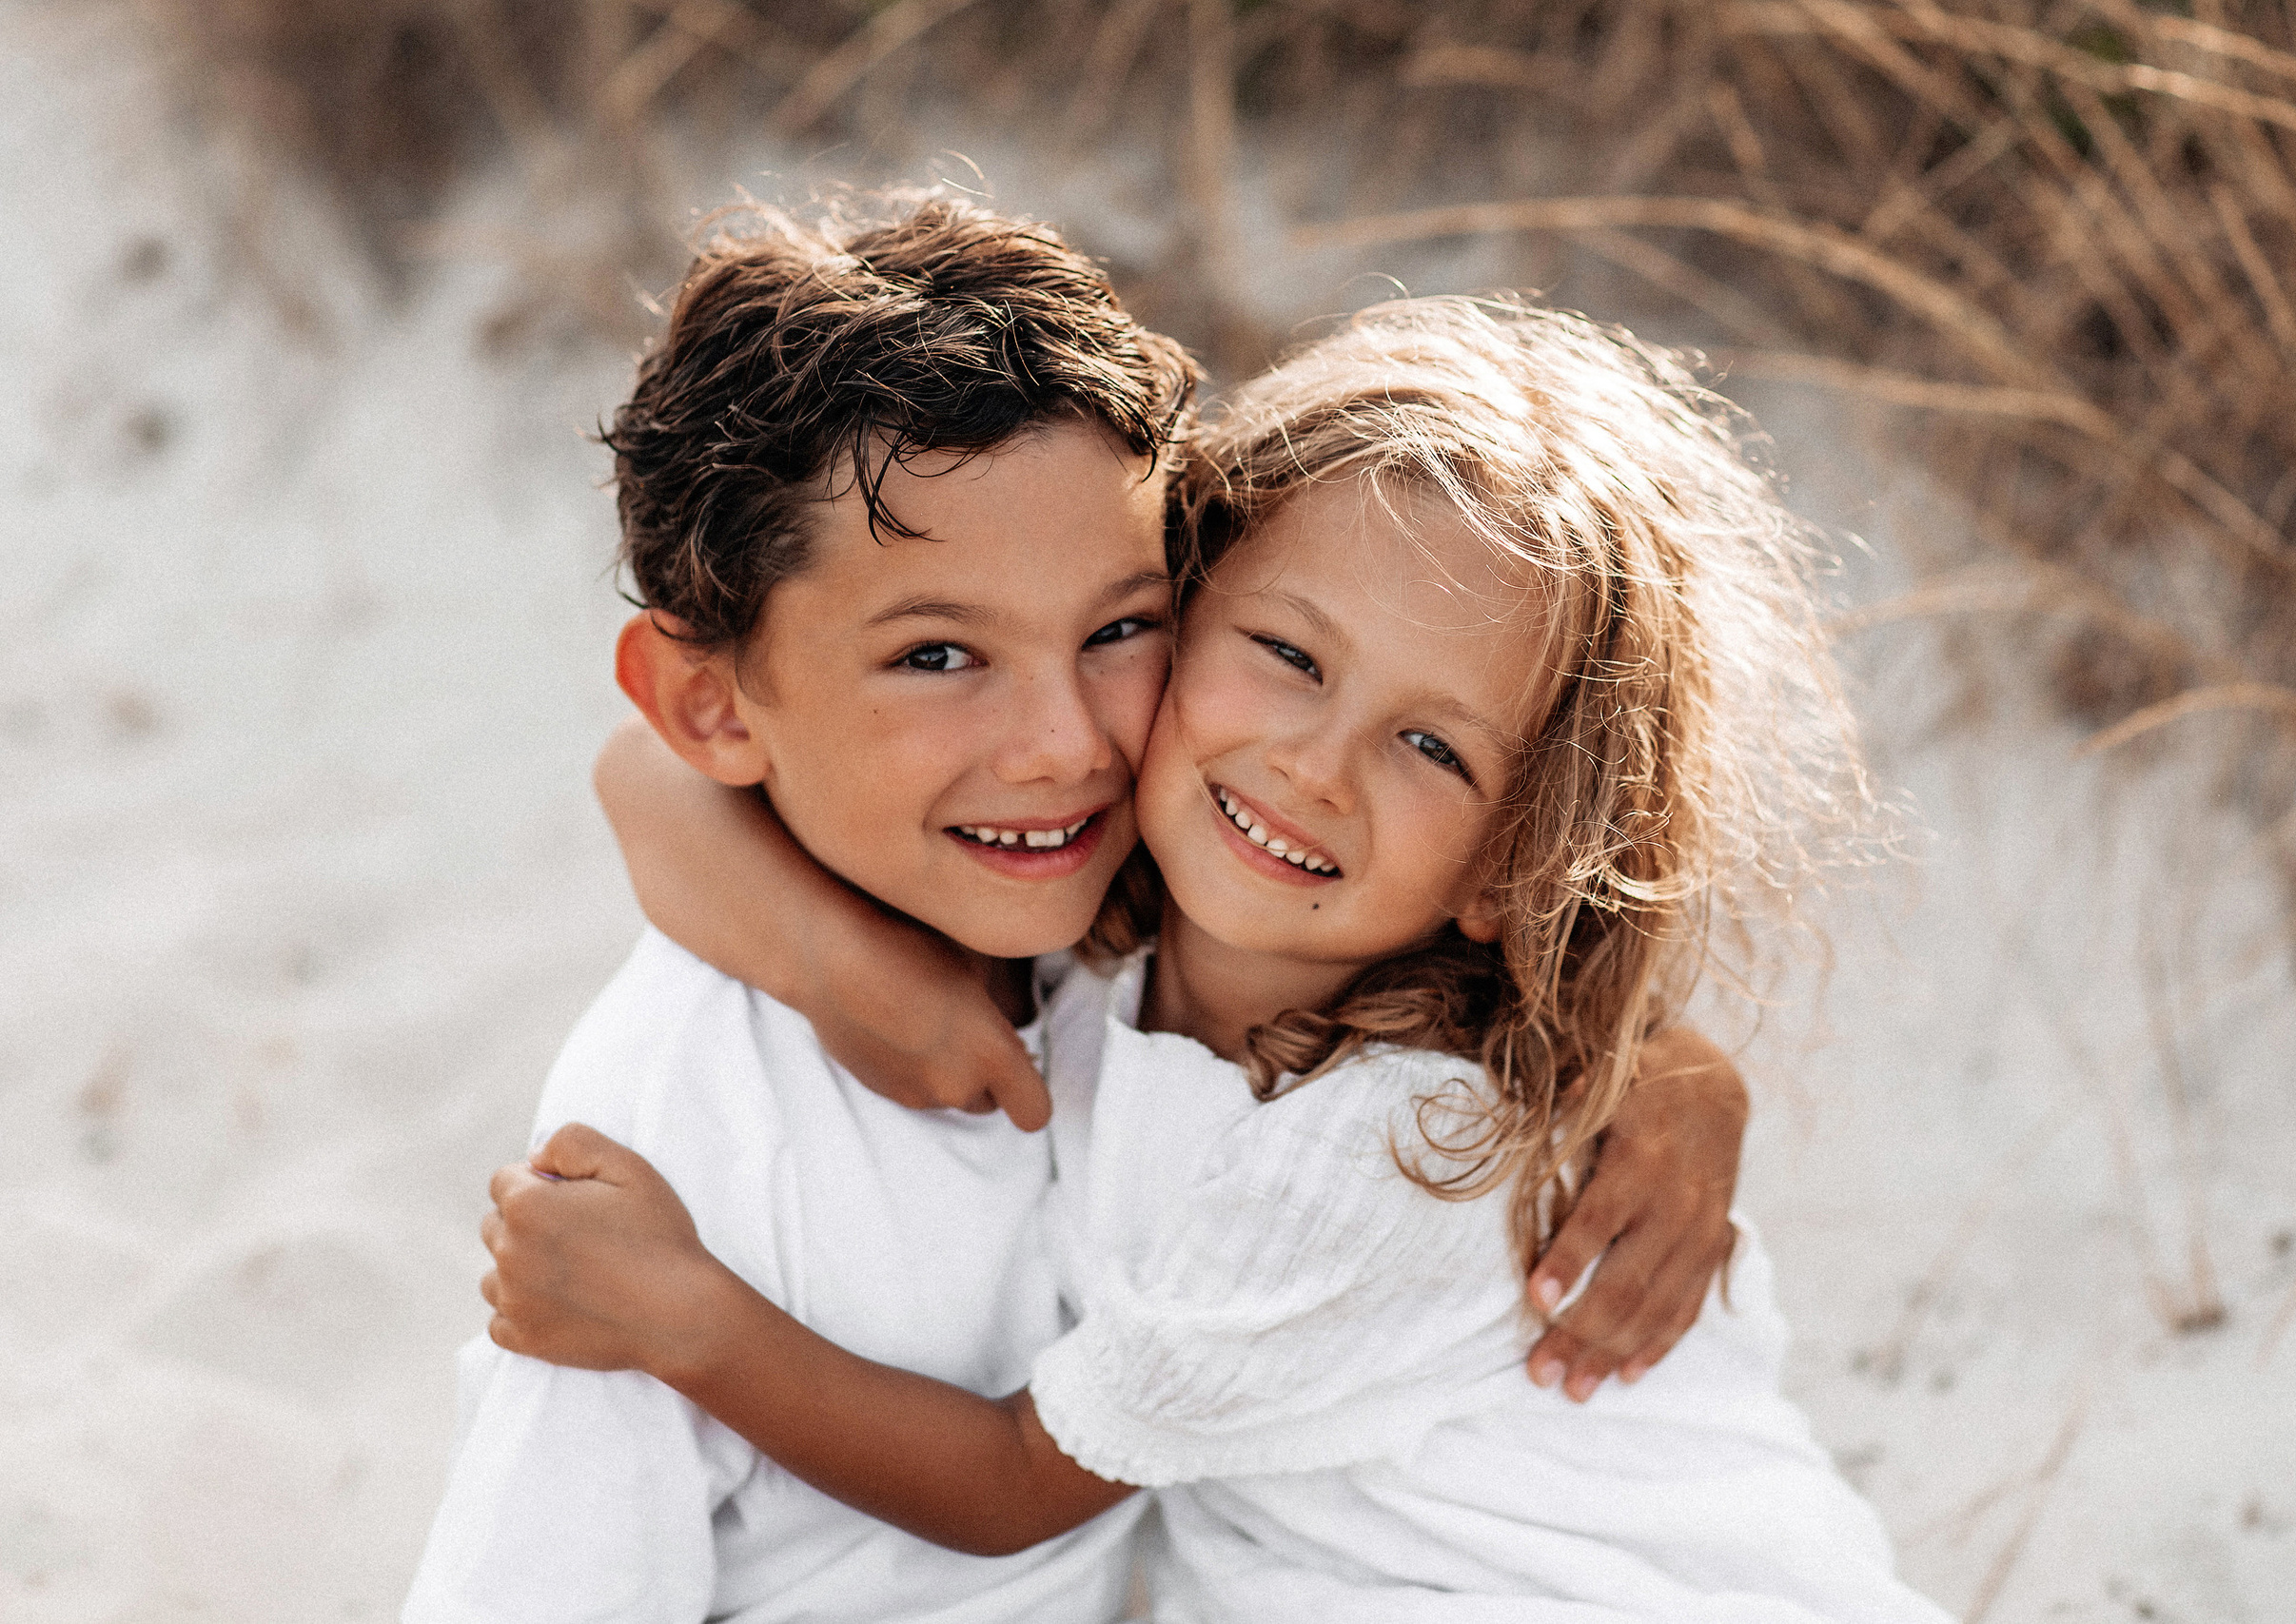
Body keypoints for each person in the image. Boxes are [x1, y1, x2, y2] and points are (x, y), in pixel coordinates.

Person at [480, 297, 1950, 1621]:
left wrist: (688, 1321)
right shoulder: (1121, 904)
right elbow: (653, 769)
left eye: (1431, 747)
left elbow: (1010, 1485)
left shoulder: (1381, 1150)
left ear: (1516, 866)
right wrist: (855, 972)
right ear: (1188, 613)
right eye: (1291, 659)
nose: (1315, 768)